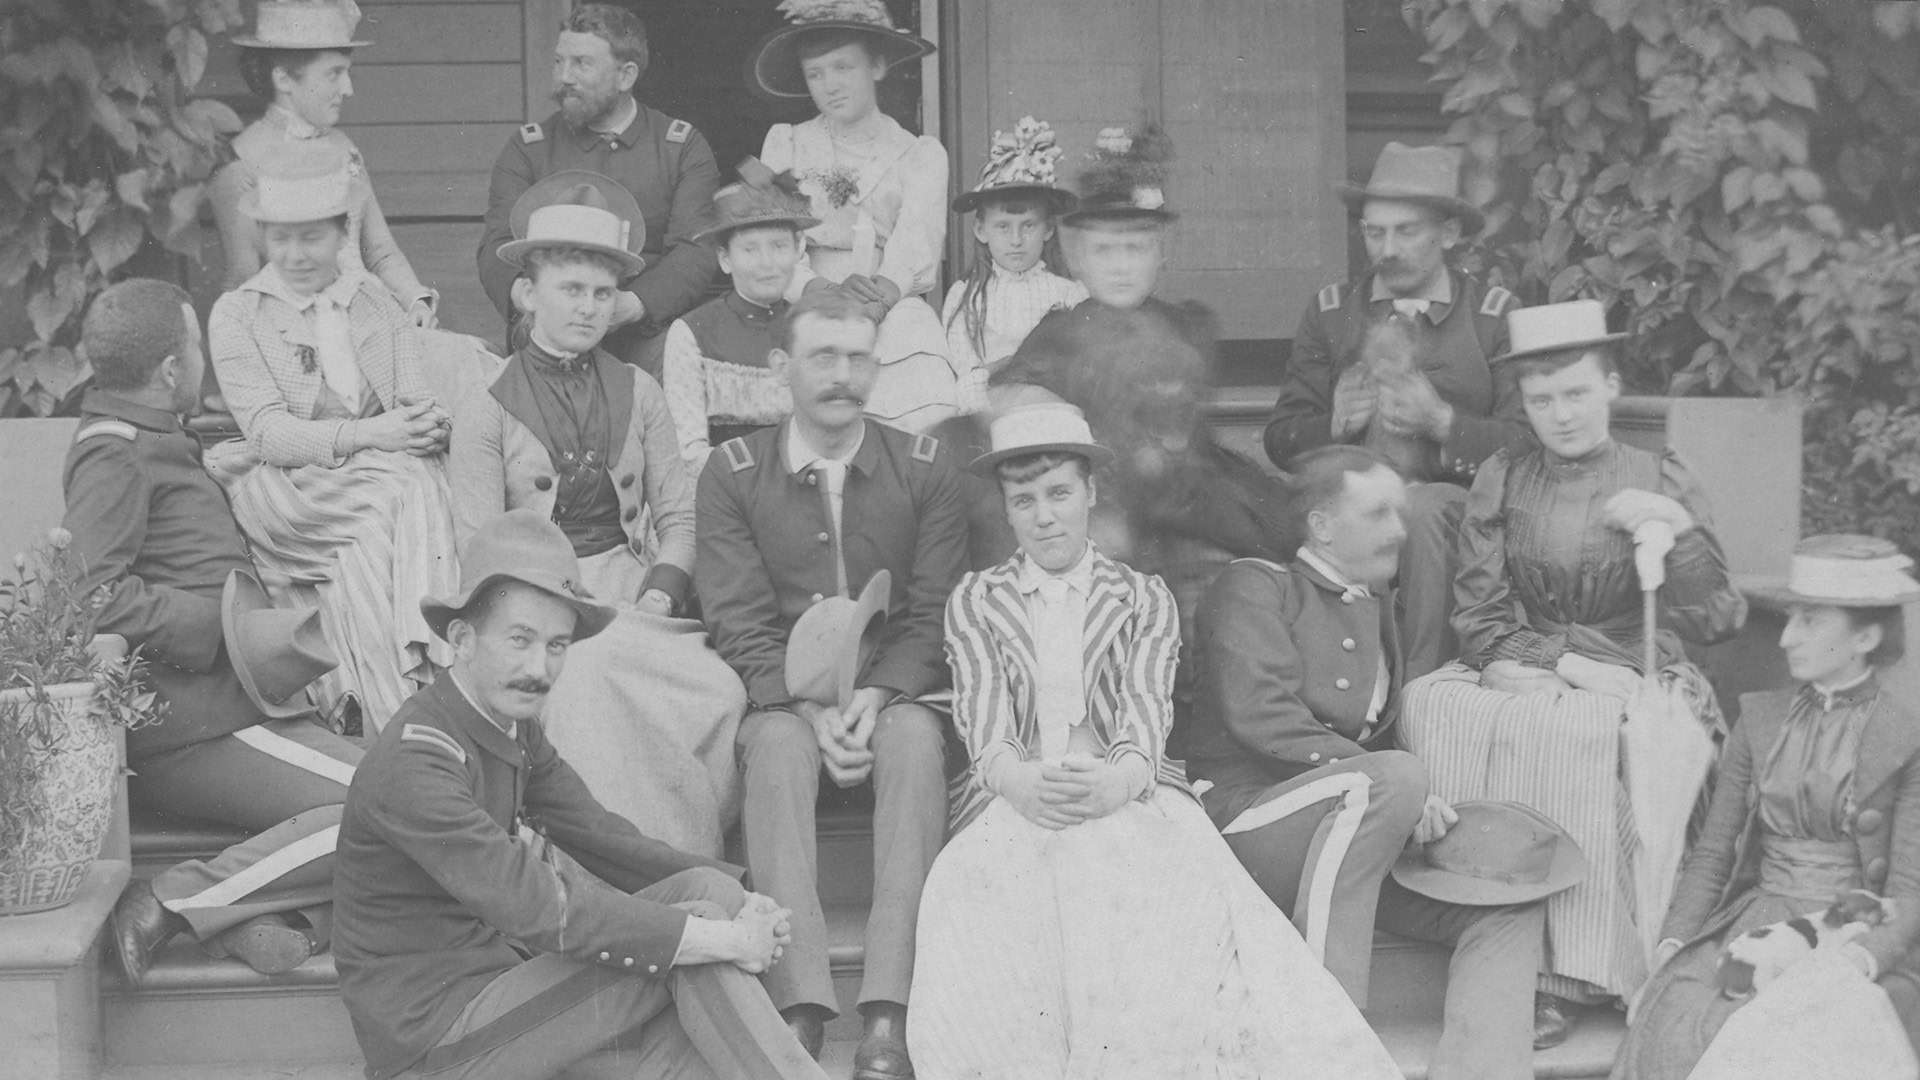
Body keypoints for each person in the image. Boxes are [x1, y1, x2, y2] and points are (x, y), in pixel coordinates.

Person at [909, 404, 1402, 1080]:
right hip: (1019, 796)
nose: (1044, 516)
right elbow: (983, 708)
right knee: (986, 896)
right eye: (1024, 500)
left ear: (1089, 494)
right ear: (1007, 509)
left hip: (1128, 791)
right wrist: (1015, 779)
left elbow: (1145, 707)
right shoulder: (978, 599)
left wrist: (1121, 777)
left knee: (1146, 885)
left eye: (1058, 494)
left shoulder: (1141, 596)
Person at [332, 509, 827, 1080]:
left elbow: (606, 839)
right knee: (691, 934)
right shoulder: (417, 758)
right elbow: (538, 905)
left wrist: (743, 898)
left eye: (557, 646)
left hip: (502, 992)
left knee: (706, 894)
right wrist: (719, 936)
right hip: (432, 1038)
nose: (538, 669)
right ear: (462, 640)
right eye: (519, 640)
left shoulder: (510, 727)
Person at [1399, 300, 1748, 1043]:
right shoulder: (1503, 474)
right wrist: (1554, 664)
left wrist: (1673, 528)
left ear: (1612, 386)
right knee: (1432, 704)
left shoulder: (1658, 472)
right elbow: (1481, 616)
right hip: (1533, 659)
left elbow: (1718, 618)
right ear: (1523, 404)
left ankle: (1576, 970)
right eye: (1541, 399)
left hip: (1639, 665)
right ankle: (1489, 942)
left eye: (1577, 393)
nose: (1560, 415)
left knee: (1574, 734)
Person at [1184, 443, 1558, 1080]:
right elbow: (1262, 716)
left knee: (1504, 900)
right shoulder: (1257, 586)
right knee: (1398, 777)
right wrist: (1390, 782)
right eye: (1380, 513)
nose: (1400, 529)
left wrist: (1401, 793)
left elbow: (1376, 760)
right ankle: (1328, 1043)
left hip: (1352, 833)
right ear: (1323, 526)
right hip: (1247, 823)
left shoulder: (1376, 602)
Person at [696, 289, 966, 1077]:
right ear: (782, 366)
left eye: (858, 357)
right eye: (823, 356)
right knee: (775, 749)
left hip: (892, 694)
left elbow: (932, 614)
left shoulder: (923, 467)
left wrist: (876, 698)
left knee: (917, 738)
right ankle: (797, 1007)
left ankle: (890, 1010)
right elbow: (738, 620)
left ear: (878, 366)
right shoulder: (735, 472)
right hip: (783, 702)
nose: (842, 376)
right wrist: (811, 711)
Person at [66, 279, 363, 984]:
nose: (203, 359)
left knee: (413, 793)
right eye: (196, 343)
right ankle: (173, 898)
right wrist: (216, 625)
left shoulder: (150, 438)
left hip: (229, 712)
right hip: (195, 725)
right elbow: (90, 597)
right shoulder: (114, 451)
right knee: (392, 800)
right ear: (171, 369)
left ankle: (274, 920)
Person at [450, 172, 746, 858]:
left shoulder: (639, 392)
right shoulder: (488, 406)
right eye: (571, 290)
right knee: (583, 676)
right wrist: (546, 604)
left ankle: (688, 851)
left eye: (602, 293)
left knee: (721, 692)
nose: (588, 308)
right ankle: (626, 867)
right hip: (532, 604)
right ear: (528, 293)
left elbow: (679, 516)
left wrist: (660, 592)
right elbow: (479, 545)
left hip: (631, 590)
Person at [1611, 534, 1920, 1079]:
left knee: (1822, 1029)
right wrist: (1674, 939)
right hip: (1759, 919)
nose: (1784, 638)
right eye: (1789, 619)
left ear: (1866, 636)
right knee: (1685, 1023)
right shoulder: (1760, 722)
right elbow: (1713, 853)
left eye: (1810, 622)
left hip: (1860, 929)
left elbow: (1910, 892)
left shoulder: (1906, 737)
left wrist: (1859, 959)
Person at [991, 123, 1296, 628]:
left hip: (1186, 494)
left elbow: (1182, 432)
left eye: (1136, 248)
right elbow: (1010, 403)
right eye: (1105, 251)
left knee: (1278, 541)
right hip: (1104, 505)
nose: (1120, 266)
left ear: (1161, 252)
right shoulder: (1060, 336)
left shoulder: (1185, 325)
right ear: (1076, 257)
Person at [206, 150, 460, 734]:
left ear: (343, 234)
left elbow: (412, 396)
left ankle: (385, 713)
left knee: (378, 529)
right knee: (407, 486)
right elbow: (270, 435)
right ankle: (431, 657)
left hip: (375, 491)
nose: (295, 256)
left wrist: (427, 423)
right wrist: (378, 433)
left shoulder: (372, 301)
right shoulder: (237, 316)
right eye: (280, 239)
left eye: (311, 239)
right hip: (282, 489)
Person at [1264, 141, 1523, 681]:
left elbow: (1527, 443)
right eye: (1374, 232)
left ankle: (1418, 691)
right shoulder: (1333, 313)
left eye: (1407, 231)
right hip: (1352, 505)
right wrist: (1332, 425)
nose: (1387, 248)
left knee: (1423, 510)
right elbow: (1282, 438)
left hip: (1454, 511)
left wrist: (1444, 425)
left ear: (1449, 233)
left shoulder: (1492, 318)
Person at [477, 3, 721, 379]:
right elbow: (497, 244)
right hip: (549, 331)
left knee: (669, 366)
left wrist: (633, 305)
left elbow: (695, 248)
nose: (564, 77)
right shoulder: (529, 149)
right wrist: (534, 303)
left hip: (642, 330)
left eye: (581, 64)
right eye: (559, 62)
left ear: (626, 76)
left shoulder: (680, 147)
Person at [750, 0, 958, 433]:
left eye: (843, 67)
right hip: (805, 293)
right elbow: (774, 236)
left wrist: (878, 297)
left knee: (912, 340)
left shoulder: (917, 154)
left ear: (877, 66)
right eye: (816, 74)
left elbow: (913, 247)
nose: (830, 85)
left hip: (889, 302)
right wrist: (816, 289)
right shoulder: (789, 143)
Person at [210, 0, 437, 326]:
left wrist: (415, 299)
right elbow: (242, 289)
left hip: (373, 326)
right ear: (284, 79)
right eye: (334, 74)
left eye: (347, 72)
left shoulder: (345, 151)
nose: (348, 89)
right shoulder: (241, 165)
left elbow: (380, 251)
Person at [662, 158, 817, 471]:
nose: (767, 262)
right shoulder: (692, 332)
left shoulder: (812, 328)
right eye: (750, 249)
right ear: (725, 259)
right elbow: (688, 452)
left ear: (798, 251)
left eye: (778, 246)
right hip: (726, 492)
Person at [941, 116, 1086, 415]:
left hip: (1052, 405)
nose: (1016, 240)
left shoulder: (1071, 294)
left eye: (1028, 226)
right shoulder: (965, 296)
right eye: (1003, 227)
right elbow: (966, 371)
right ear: (981, 230)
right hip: (989, 408)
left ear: (1047, 230)